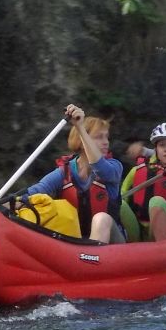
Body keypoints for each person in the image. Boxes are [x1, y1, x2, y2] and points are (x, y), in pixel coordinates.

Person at [22, 104, 126, 244]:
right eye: (99, 137)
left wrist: (80, 127)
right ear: (82, 142)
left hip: (113, 243)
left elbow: (100, 167)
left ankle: (93, 260)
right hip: (75, 244)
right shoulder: (64, 173)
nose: (106, 142)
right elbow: (33, 194)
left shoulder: (114, 167)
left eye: (107, 137)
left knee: (101, 218)